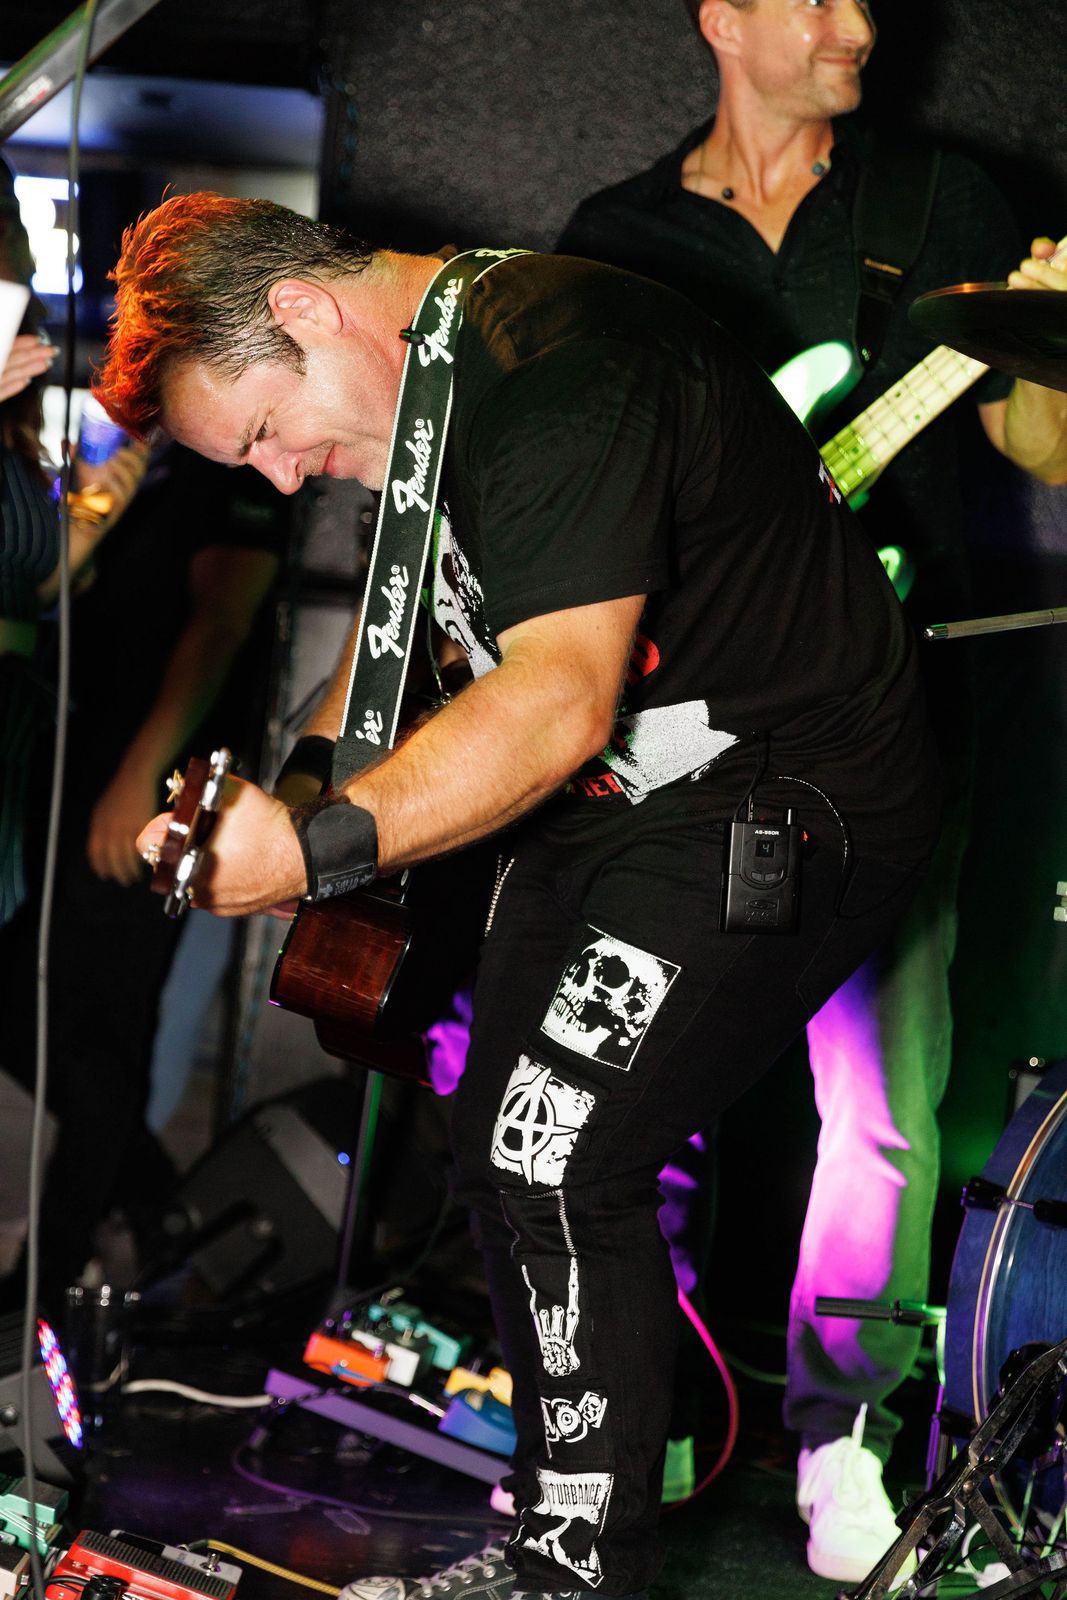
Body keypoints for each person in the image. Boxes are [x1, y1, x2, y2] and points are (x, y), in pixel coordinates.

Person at [95, 189, 965, 1600]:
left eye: (260, 431)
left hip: (780, 790)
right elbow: (401, 650)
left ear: (303, 310)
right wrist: (283, 801)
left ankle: (576, 1573)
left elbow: (556, 703)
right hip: (622, 808)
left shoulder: (560, 366)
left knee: (553, 1150)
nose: (279, 478)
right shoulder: (431, 394)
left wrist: (310, 854)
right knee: (501, 1150)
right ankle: (558, 1530)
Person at [555, 0, 1067, 1579]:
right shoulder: (618, 237)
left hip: (887, 713)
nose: (856, 24)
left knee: (881, 1104)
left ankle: (841, 1435)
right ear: (721, 17)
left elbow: (1038, 448)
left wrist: (1055, 337)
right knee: (625, 1081)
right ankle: (619, 1405)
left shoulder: (939, 205)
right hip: (685, 720)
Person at [0, 442, 285, 1314]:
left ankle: (43, 1288)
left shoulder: (233, 455)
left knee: (106, 1034)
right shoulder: (148, 465)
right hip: (78, 768)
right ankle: (158, 1209)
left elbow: (222, 625)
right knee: (49, 1019)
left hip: (147, 786)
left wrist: (138, 778)